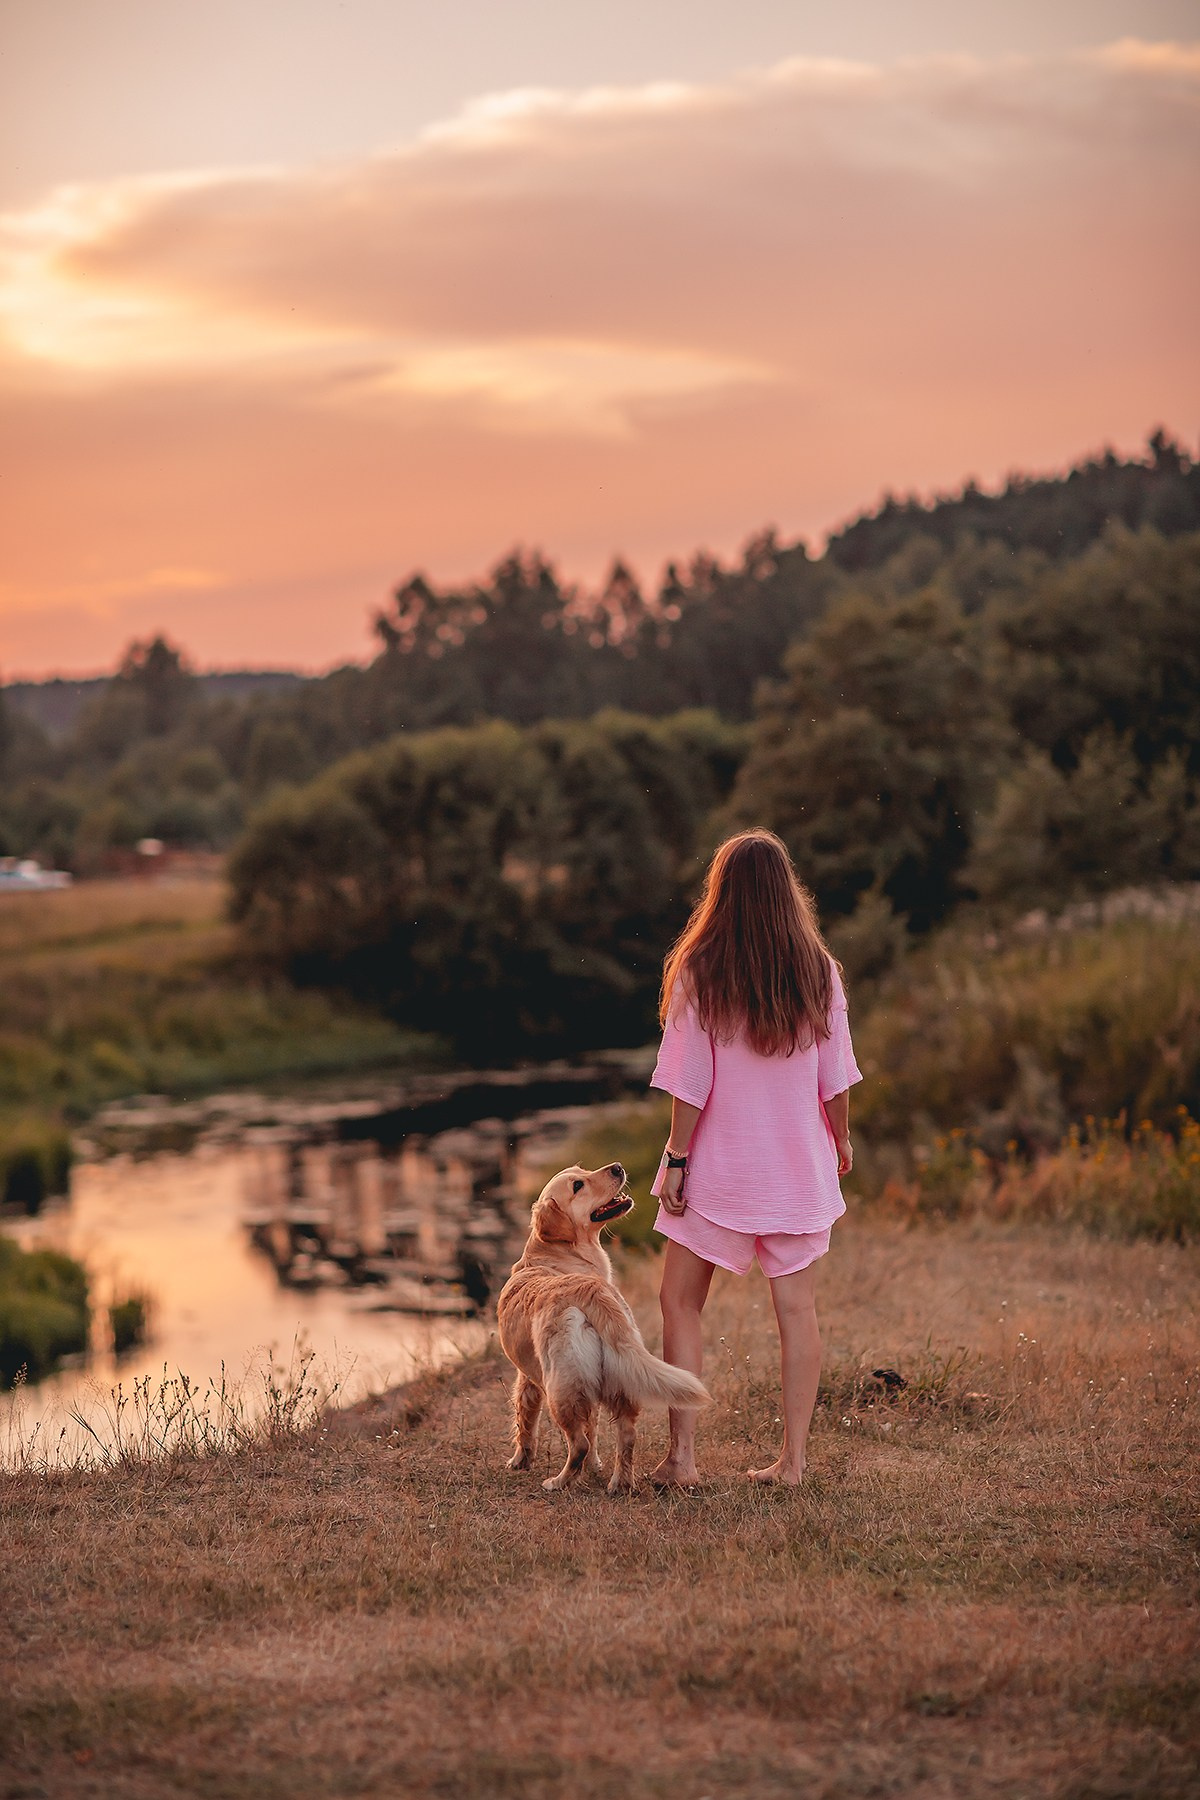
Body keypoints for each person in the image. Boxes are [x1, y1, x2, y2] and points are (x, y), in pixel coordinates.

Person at [648, 828, 861, 1488]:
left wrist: (677, 1159)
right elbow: (837, 1080)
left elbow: (690, 1083)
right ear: (785, 890)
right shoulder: (818, 970)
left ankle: (682, 1459)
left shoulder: (699, 971)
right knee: (797, 1312)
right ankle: (792, 1463)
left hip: (719, 1169)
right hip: (797, 1166)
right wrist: (843, 1140)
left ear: (723, 892)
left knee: (679, 1302)